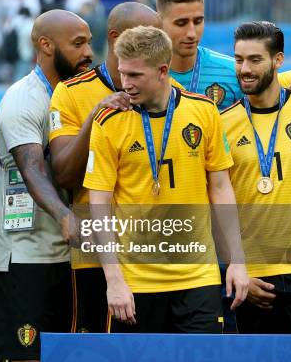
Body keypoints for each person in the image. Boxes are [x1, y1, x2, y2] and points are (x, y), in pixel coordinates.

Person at [83, 26, 249, 333]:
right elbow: (99, 205)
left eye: (135, 75)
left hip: (199, 277)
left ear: (162, 70)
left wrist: (238, 260)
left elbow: (221, 187)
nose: (125, 84)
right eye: (122, 73)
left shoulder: (204, 111)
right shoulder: (109, 121)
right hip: (136, 283)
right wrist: (114, 280)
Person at [48, 2, 183, 333]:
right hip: (97, 255)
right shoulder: (70, 93)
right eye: (146, 35)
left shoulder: (172, 93)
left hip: (158, 255)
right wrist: (95, 117)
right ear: (115, 37)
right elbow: (63, 175)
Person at [0, 9, 92, 361]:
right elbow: (32, 168)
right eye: (78, 44)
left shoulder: (78, 97)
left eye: (89, 43)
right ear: (46, 45)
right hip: (27, 257)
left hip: (74, 257)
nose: (88, 53)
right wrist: (65, 216)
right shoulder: (24, 100)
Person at [221, 21, 291, 334]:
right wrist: (237, 271)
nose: (245, 69)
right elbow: (216, 206)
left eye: (255, 60)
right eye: (239, 60)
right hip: (254, 279)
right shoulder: (222, 124)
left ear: (278, 61)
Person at [156, 0, 291, 111]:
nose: (192, 32)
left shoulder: (232, 71)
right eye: (181, 23)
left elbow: (272, 90)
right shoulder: (145, 75)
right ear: (159, 22)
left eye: (198, 21)